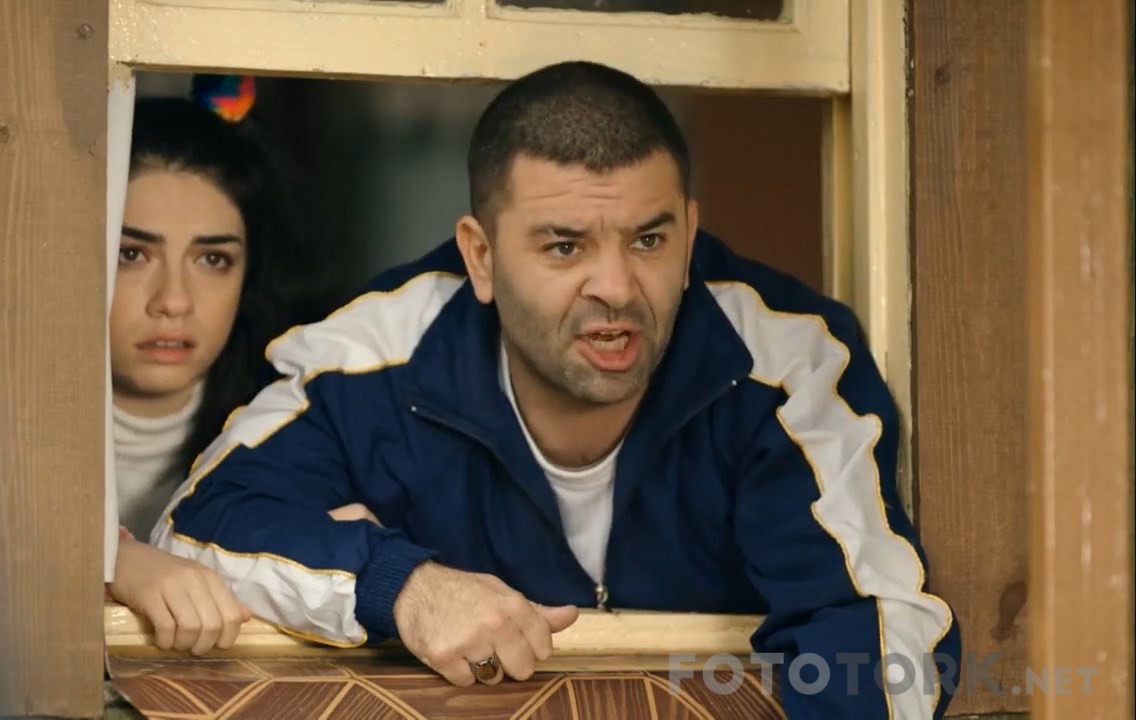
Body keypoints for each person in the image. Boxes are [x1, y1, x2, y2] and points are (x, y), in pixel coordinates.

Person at [152, 61, 962, 716]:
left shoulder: (782, 361)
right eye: (565, 247)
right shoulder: (373, 357)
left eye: (649, 240)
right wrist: (404, 587)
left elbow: (877, 630)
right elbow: (194, 530)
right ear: (479, 257)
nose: (615, 287)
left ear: (689, 236)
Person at [105, 82, 335, 656]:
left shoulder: (296, 421)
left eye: (213, 259)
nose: (173, 301)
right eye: (132, 254)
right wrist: (108, 560)